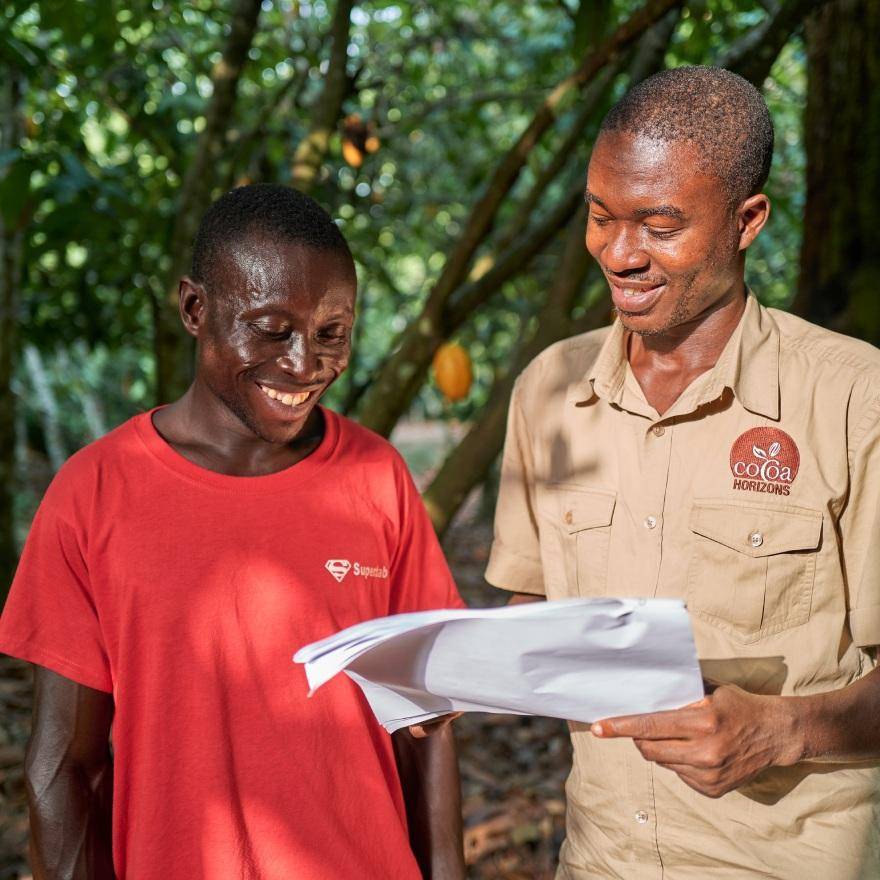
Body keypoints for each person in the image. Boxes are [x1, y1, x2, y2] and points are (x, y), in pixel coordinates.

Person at [0, 184, 466, 879]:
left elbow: (426, 733)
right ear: (195, 308)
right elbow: (63, 766)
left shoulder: (378, 477)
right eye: (273, 329)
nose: (306, 364)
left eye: (331, 333)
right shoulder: (94, 492)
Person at [485, 66, 880, 879]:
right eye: (600, 217)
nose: (620, 254)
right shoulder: (548, 392)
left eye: (661, 225)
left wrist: (786, 729)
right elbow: (533, 614)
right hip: (597, 860)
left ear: (747, 221)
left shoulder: (854, 398)